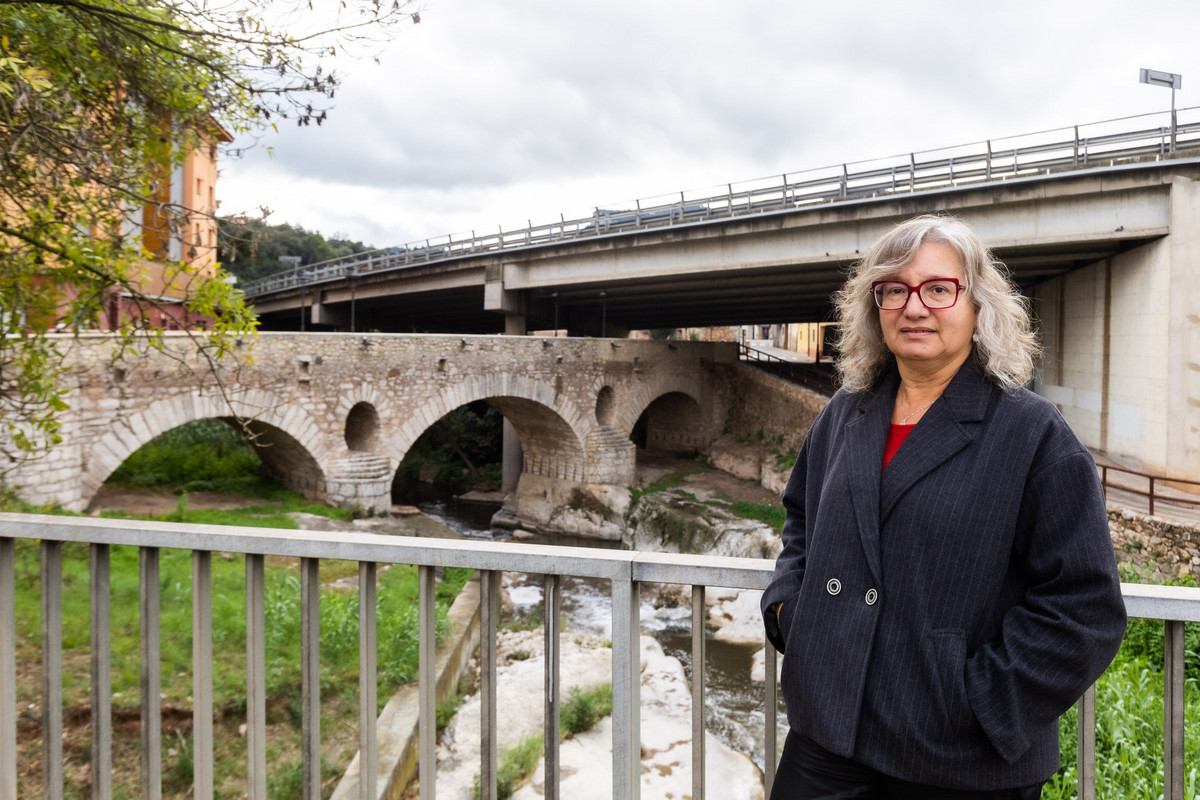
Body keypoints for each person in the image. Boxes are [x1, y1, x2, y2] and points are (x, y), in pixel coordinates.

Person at [760, 214, 1126, 799]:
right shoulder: (845, 413)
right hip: (829, 735)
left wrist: (979, 701)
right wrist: (790, 614)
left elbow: (1085, 605)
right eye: (894, 289)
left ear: (978, 305)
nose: (914, 306)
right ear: (873, 306)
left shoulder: (1032, 435)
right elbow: (801, 520)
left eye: (937, 288)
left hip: (959, 759)